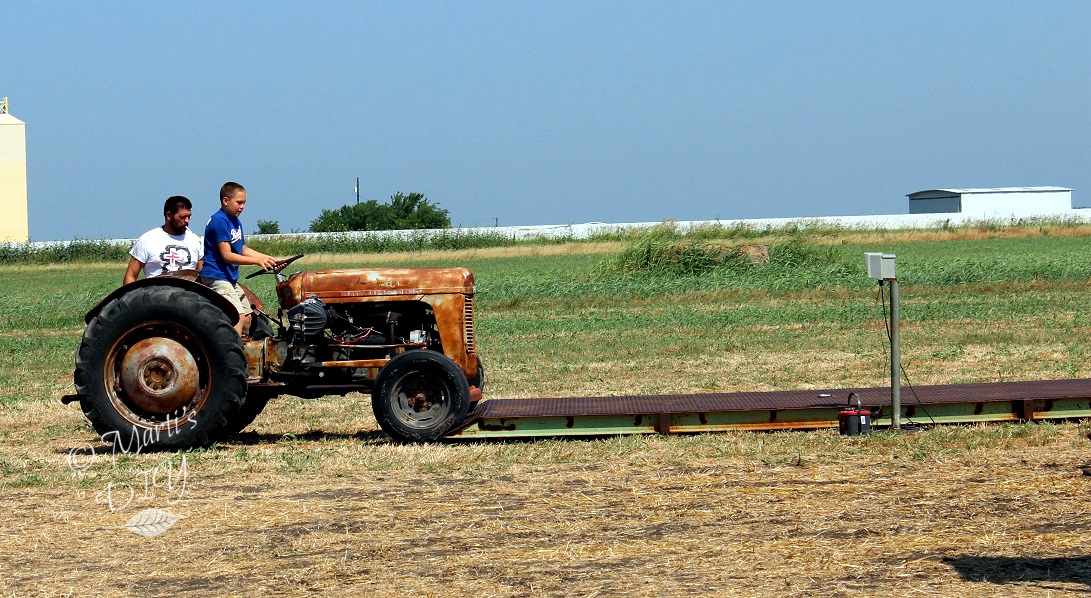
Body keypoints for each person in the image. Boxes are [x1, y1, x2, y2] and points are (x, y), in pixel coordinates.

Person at [200, 181, 280, 337]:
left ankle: (245, 349)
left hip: (229, 278)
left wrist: (268, 258)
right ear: (225, 201)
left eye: (244, 203)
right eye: (239, 202)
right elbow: (227, 256)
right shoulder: (220, 221)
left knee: (248, 316)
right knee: (237, 317)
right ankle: (233, 355)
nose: (242, 206)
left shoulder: (235, 221)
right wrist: (257, 262)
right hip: (216, 276)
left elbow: (242, 249)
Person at [123, 196, 204, 285]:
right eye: (183, 217)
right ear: (169, 215)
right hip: (155, 295)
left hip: (187, 295)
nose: (187, 220)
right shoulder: (147, 240)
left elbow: (202, 275)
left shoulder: (196, 241)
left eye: (189, 216)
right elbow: (131, 276)